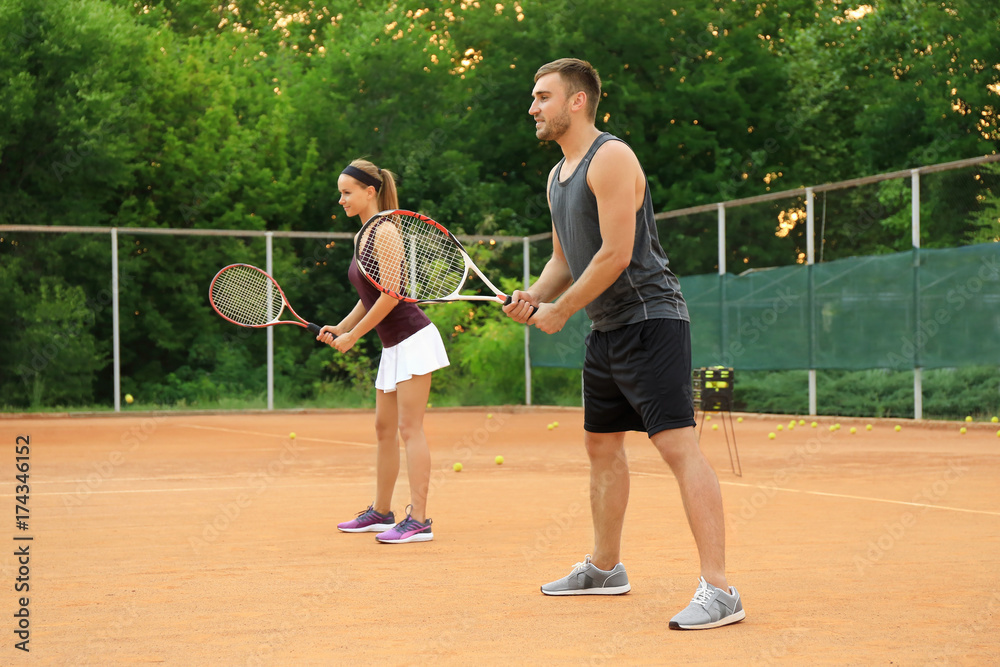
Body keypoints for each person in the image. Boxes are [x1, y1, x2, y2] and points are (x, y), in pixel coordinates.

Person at [502, 58, 745, 629]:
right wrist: (533, 297)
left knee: (678, 447)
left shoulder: (611, 158)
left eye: (543, 97)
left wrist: (561, 310)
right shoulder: (557, 176)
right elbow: (564, 260)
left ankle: (720, 588)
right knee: (602, 447)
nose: (533, 107)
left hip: (650, 319)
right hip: (607, 328)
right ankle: (606, 568)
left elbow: (615, 252)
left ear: (577, 101)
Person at [317, 158, 449, 544]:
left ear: (369, 192)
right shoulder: (364, 235)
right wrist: (341, 327)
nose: (340, 199)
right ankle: (381, 511)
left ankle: (419, 520)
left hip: (412, 339)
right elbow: (369, 295)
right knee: (383, 430)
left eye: (346, 192)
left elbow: (392, 295)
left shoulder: (386, 231)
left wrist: (354, 336)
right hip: (393, 346)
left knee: (410, 429)